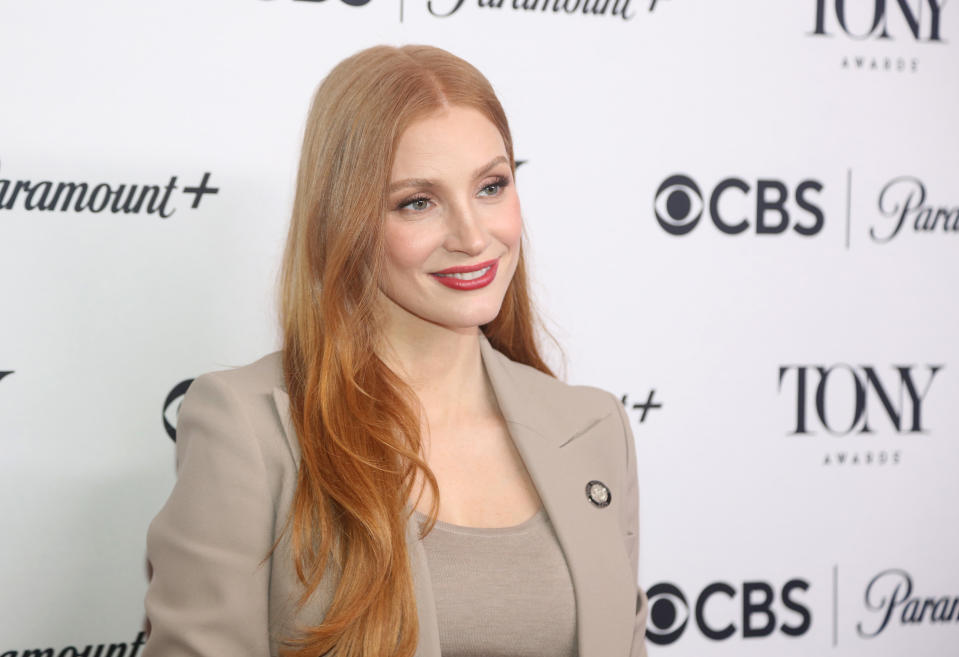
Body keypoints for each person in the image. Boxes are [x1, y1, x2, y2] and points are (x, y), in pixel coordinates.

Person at [142, 43, 648, 657]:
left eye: (491, 186)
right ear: (345, 220)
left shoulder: (592, 428)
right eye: (418, 201)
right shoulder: (249, 428)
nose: (472, 236)